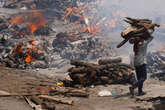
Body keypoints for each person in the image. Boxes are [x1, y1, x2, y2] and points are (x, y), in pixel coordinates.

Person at [129, 24, 155, 97]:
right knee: (144, 77)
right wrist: (150, 29)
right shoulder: (143, 43)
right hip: (141, 62)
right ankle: (133, 87)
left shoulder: (136, 44)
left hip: (136, 61)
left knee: (139, 78)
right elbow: (151, 37)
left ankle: (140, 92)